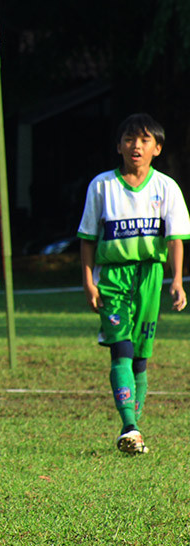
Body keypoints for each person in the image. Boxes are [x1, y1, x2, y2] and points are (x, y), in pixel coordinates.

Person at [78, 113, 189, 455]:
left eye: (144, 140)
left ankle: (134, 431)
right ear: (119, 146)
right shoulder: (102, 186)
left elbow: (174, 238)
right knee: (121, 350)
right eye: (129, 139)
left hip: (150, 276)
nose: (135, 146)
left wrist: (177, 281)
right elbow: (87, 238)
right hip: (112, 277)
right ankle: (129, 424)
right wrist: (88, 281)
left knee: (140, 358)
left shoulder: (166, 187)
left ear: (157, 148)